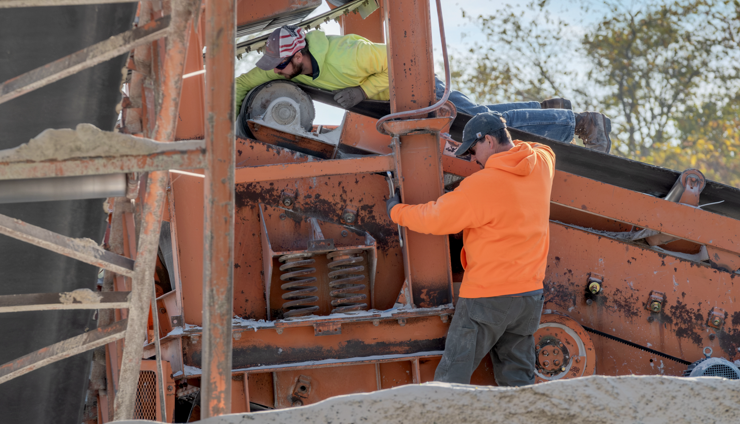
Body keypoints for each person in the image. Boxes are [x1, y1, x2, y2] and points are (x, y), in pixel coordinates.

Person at [236, 25, 612, 152]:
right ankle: (548, 110)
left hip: (419, 87)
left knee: (477, 125)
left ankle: (579, 123)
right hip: (398, 100)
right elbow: (249, 83)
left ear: (299, 54)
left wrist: (365, 92)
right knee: (477, 114)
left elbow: (405, 58)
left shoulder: (348, 55)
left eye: (281, 65)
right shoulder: (295, 70)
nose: (278, 73)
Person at [387, 112, 554, 386]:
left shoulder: (482, 185)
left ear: (488, 140)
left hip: (487, 298)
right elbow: (540, 148)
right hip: (529, 296)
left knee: (453, 377)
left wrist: (396, 211)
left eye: (474, 151)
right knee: (519, 381)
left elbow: (435, 217)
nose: (473, 160)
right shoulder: (542, 163)